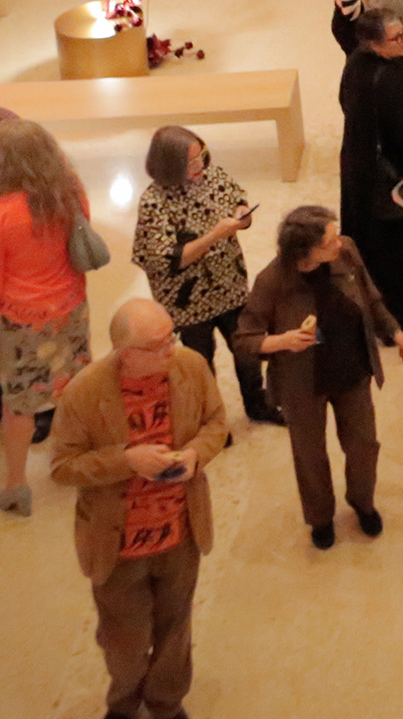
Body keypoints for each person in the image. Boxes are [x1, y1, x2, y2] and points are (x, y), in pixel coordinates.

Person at [49, 299, 228, 719]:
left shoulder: (190, 367)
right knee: (125, 642)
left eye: (172, 338)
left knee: (175, 630)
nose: (171, 350)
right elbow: (61, 467)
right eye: (157, 345)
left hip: (180, 531)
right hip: (119, 544)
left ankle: (166, 702)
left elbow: (215, 422)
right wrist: (126, 460)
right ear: (124, 352)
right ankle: (125, 703)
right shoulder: (85, 392)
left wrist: (195, 455)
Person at [236, 206, 403, 549]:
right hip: (303, 382)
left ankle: (362, 502)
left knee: (364, 445)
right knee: (310, 454)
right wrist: (282, 341)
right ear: (306, 251)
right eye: (329, 240)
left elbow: (370, 296)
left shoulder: (346, 252)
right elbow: (244, 339)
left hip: (351, 369)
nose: (339, 243)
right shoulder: (272, 281)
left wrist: (395, 330)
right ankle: (319, 518)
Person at [132, 128, 277, 428]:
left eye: (201, 157)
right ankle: (212, 421)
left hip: (230, 285)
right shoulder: (154, 202)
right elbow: (163, 259)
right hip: (189, 300)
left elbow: (240, 207)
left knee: (247, 350)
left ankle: (257, 404)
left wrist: (242, 215)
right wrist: (214, 235)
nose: (200, 167)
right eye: (191, 163)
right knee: (201, 362)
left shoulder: (215, 176)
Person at [0, 118, 93, 515]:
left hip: (23, 320)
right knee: (73, 384)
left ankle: (17, 485)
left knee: (19, 405)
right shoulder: (70, 194)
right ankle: (77, 458)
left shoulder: (5, 213)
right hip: (71, 307)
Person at [336, 8, 403, 335]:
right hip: (387, 178)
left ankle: (379, 311)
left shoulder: (355, 63)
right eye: (396, 37)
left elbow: (344, 102)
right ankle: (399, 321)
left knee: (372, 248)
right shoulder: (392, 79)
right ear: (374, 43)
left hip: (358, 166)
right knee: (394, 250)